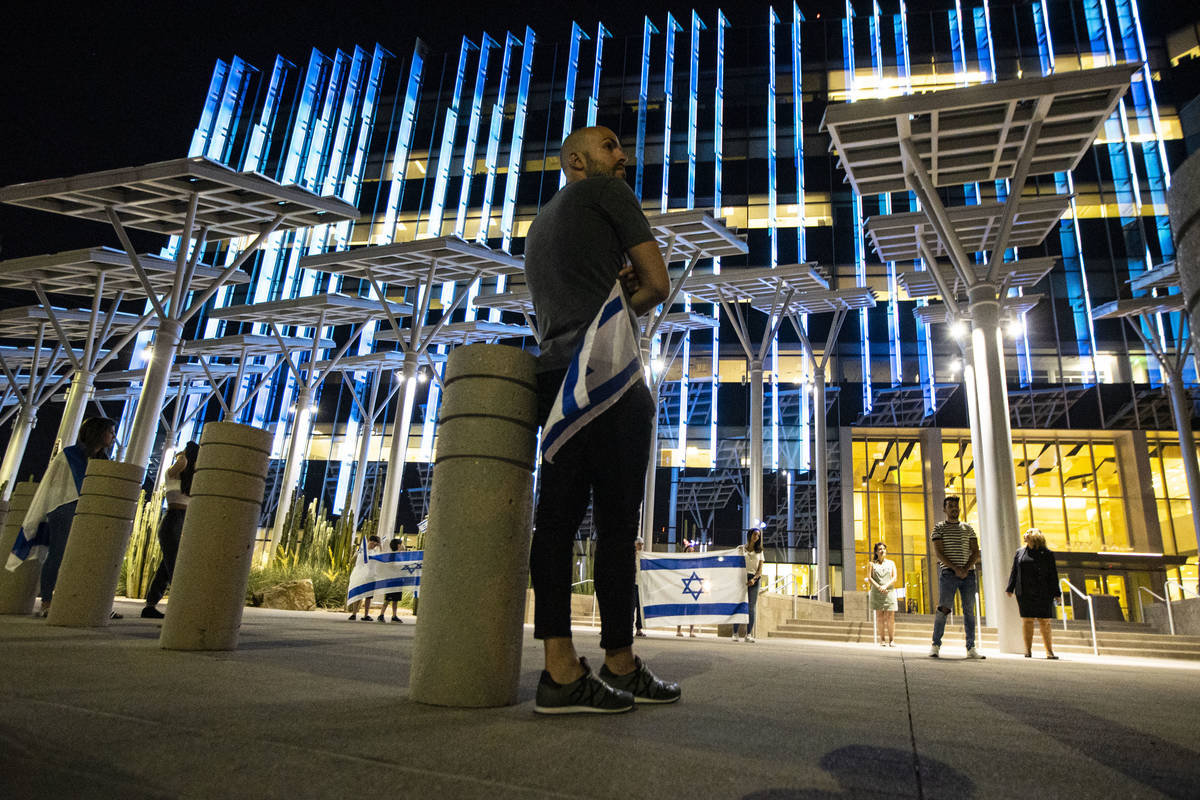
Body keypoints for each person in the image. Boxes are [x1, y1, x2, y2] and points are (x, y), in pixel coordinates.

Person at [524, 125, 678, 714]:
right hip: (609, 378)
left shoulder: (543, 224)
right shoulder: (610, 196)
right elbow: (658, 284)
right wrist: (627, 304)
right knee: (616, 528)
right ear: (576, 161)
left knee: (556, 524)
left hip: (557, 381)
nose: (625, 156)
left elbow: (569, 298)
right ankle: (620, 661)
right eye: (610, 146)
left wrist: (609, 293)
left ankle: (558, 671)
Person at [7, 417, 117, 617]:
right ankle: (47, 601)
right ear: (97, 432)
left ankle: (85, 601)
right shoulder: (69, 455)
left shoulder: (103, 461)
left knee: (86, 557)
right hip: (64, 509)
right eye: (110, 431)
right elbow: (54, 485)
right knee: (58, 554)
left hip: (89, 512)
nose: (113, 436)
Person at [141, 441, 199, 619]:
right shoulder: (173, 474)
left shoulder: (191, 481)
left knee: (165, 568)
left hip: (185, 521)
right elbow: (182, 464)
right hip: (173, 520)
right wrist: (183, 454)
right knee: (175, 566)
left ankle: (150, 605)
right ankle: (180, 606)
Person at [929, 496, 985, 659]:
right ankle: (935, 645)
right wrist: (955, 568)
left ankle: (971, 647)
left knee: (969, 610)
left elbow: (975, 551)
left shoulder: (969, 529)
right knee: (943, 608)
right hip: (948, 574)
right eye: (950, 506)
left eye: (956, 506)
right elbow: (939, 552)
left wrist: (965, 568)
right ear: (944, 509)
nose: (954, 508)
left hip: (968, 574)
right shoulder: (939, 528)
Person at [1005, 528, 1061, 659]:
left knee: (1044, 621)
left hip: (1044, 591)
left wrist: (1057, 593)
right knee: (1027, 620)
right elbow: (1015, 571)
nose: (1024, 535)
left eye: (1028, 533)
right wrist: (1010, 588)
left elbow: (1053, 574)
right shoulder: (1020, 552)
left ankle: (1049, 651)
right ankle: (1028, 650)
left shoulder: (1047, 554)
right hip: (1024, 592)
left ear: (1035, 537)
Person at [735, 528, 764, 643]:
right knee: (739, 604)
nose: (756, 537)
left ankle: (748, 634)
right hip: (741, 578)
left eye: (758, 535)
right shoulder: (741, 549)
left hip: (754, 580)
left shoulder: (760, 551)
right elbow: (733, 563)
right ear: (750, 535)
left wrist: (754, 579)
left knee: (751, 607)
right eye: (755, 534)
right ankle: (735, 632)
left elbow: (760, 570)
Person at [868, 542, 898, 647]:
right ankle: (882, 640)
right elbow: (870, 578)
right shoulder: (872, 564)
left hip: (889, 591)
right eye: (880, 549)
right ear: (876, 551)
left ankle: (892, 640)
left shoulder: (891, 563)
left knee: (890, 617)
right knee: (879, 616)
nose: (882, 551)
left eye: (884, 549)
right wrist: (879, 587)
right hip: (876, 592)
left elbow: (894, 578)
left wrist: (885, 586)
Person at [347, 535, 382, 621]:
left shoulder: (375, 552)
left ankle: (366, 615)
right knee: (358, 595)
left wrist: (380, 547)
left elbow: (382, 558)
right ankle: (354, 614)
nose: (374, 544)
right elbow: (354, 559)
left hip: (371, 577)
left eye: (376, 543)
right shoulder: (362, 550)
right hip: (361, 576)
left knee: (368, 597)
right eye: (372, 542)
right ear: (369, 541)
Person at [378, 537, 406, 623]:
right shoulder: (393, 555)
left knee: (395, 599)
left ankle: (394, 615)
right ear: (398, 545)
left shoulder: (401, 555)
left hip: (398, 579)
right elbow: (392, 565)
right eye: (401, 544)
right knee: (388, 599)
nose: (403, 545)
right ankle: (381, 615)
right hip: (391, 580)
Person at [675, 542, 698, 638]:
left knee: (692, 610)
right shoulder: (682, 561)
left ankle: (691, 631)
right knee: (681, 609)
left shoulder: (696, 562)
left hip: (692, 587)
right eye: (689, 550)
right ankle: (678, 630)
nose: (691, 552)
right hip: (682, 587)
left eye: (693, 551)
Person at [633, 536, 646, 637]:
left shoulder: (644, 557)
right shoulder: (631, 556)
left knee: (640, 608)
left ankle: (639, 628)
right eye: (639, 544)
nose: (641, 546)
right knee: (631, 607)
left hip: (640, 585)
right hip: (632, 585)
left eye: (642, 544)